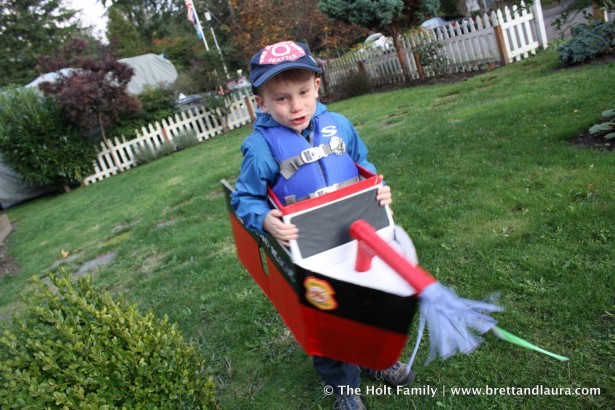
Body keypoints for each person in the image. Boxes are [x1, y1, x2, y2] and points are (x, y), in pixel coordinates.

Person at [231, 40, 415, 410]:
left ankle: (376, 358)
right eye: (281, 98)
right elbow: (244, 199)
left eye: (302, 92)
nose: (296, 106)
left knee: (371, 305)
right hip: (314, 254)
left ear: (317, 85)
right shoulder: (261, 147)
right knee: (330, 322)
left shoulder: (340, 126)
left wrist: (378, 190)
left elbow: (364, 166)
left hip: (361, 241)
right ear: (261, 102)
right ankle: (343, 389)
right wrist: (265, 218)